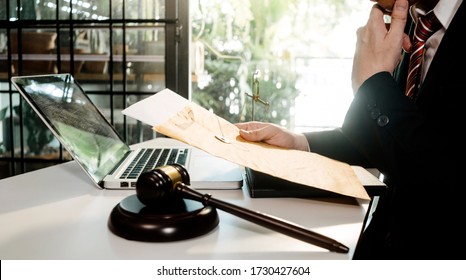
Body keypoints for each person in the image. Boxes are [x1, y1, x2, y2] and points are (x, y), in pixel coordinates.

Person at [236, 0, 465, 259]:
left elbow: (445, 183)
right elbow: (399, 141)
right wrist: (301, 143)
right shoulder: (415, 16)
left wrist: (372, 84)